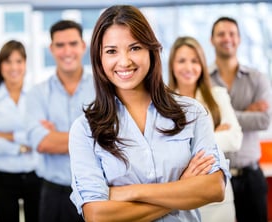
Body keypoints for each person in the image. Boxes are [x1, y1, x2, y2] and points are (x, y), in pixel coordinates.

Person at [68, 5, 230, 222]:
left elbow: (214, 189)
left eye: (135, 48)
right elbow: (97, 215)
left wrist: (130, 192)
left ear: (151, 51)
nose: (124, 61)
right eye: (111, 51)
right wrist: (181, 189)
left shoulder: (192, 113)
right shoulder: (85, 129)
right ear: (99, 59)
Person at [25, 20, 94, 222]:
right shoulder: (37, 94)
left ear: (83, 46)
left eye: (73, 44)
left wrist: (57, 136)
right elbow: (41, 142)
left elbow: (110, 139)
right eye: (60, 45)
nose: (67, 51)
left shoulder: (103, 90)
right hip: (53, 194)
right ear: (51, 49)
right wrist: (90, 138)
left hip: (96, 192)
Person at [168, 36, 243, 222]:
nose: (188, 67)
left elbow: (235, 139)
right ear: (172, 65)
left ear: (202, 64)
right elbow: (166, 152)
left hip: (219, 196)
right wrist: (214, 135)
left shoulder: (217, 95)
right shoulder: (164, 102)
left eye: (194, 61)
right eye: (182, 61)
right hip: (183, 195)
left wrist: (187, 143)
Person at [209, 16, 272, 222]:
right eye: (221, 34)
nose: (227, 38)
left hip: (251, 176)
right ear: (212, 40)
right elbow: (202, 124)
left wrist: (224, 116)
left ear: (239, 39)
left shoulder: (257, 78)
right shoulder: (203, 80)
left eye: (232, 34)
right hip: (214, 177)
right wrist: (247, 111)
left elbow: (264, 120)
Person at [0, 40, 41, 222]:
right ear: (0, 66)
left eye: (19, 61)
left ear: (25, 64)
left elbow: (40, 135)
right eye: (8, 61)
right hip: (3, 178)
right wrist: (21, 146)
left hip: (35, 175)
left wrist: (8, 135)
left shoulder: (37, 96)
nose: (14, 67)